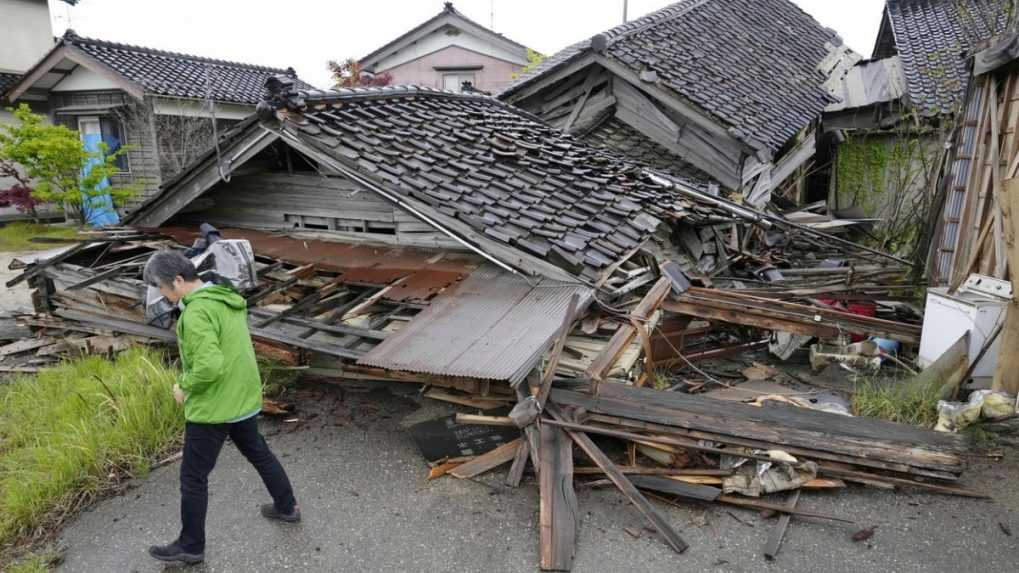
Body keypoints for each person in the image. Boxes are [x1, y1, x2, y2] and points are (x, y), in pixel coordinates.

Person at [143, 250, 299, 564]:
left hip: (215, 406)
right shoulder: (224, 298)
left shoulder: (197, 312)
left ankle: (190, 546)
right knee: (258, 452)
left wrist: (183, 385)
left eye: (161, 287)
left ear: (177, 280)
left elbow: (209, 366)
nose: (161, 294)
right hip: (242, 397)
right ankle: (287, 507)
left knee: (192, 477)